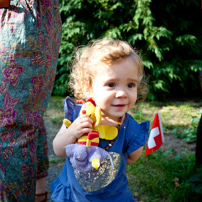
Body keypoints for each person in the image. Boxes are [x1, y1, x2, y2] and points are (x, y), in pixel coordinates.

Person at [51, 38, 150, 202]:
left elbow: (132, 158)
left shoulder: (130, 127)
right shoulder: (77, 115)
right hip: (74, 196)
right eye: (111, 84)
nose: (122, 93)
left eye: (130, 85)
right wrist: (72, 132)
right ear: (88, 87)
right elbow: (58, 150)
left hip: (113, 197)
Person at [0, 0, 62, 201]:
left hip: (20, 17)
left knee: (13, 126)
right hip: (34, 18)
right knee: (29, 115)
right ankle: (38, 193)